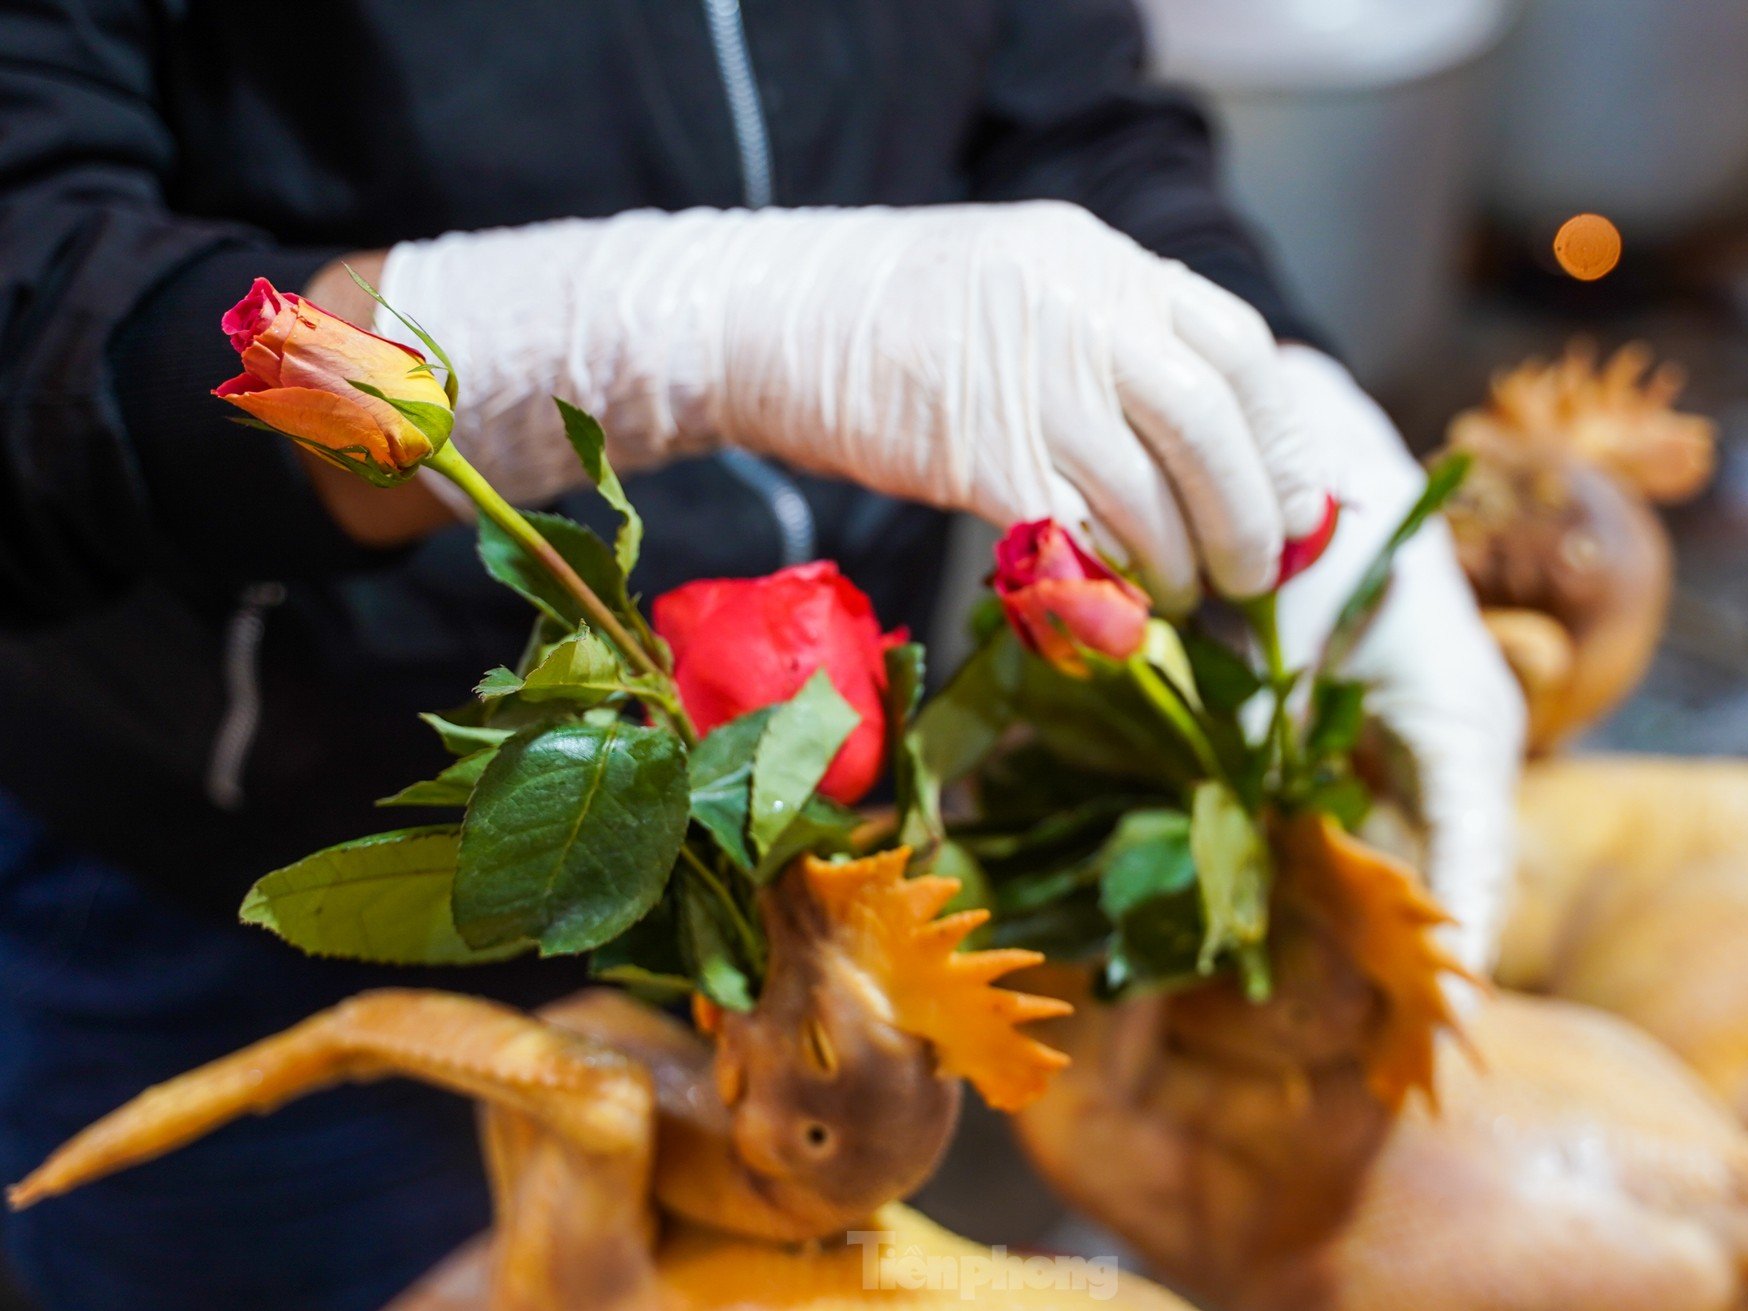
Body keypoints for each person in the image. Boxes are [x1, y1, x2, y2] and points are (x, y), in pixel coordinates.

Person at [0, 1, 1523, 1307]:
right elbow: (35, 304)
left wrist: (1287, 410)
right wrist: (592, 337)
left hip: (799, 862)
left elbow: (1068, 112)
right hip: (237, 888)